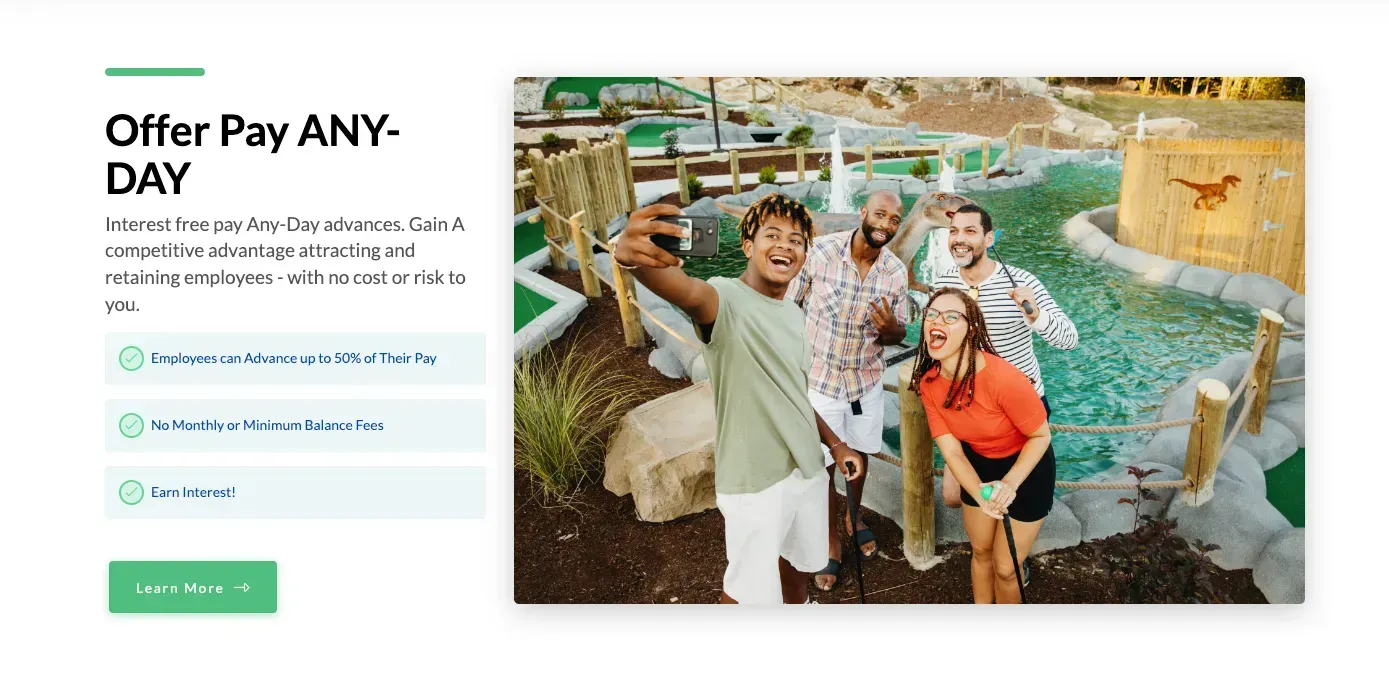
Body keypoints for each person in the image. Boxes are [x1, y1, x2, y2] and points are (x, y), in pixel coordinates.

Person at [613, 193, 865, 605]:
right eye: (772, 234)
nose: (786, 244)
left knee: (799, 567)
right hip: (755, 481)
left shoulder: (794, 314)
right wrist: (632, 258)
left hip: (807, 470)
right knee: (747, 592)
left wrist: (835, 445)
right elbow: (687, 293)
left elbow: (793, 394)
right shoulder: (723, 299)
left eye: (797, 240)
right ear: (748, 246)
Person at [785, 190, 910, 592]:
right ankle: (831, 540)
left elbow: (899, 331)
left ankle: (852, 518)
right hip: (818, 382)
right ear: (863, 213)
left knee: (858, 451)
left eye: (894, 220)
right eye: (880, 215)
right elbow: (787, 306)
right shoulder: (820, 252)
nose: (886, 225)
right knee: (822, 464)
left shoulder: (895, 272)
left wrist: (892, 331)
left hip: (865, 383)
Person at [909, 287, 1056, 604]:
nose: (938, 321)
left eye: (951, 316)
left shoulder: (1004, 379)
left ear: (972, 329)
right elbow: (951, 452)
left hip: (1027, 470)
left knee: (1006, 568)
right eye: (932, 314)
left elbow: (1041, 436)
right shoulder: (929, 383)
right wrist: (978, 492)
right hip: (977, 464)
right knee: (981, 551)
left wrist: (1009, 485)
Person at [929, 204, 1076, 502]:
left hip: (1017, 409)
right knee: (954, 497)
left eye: (970, 231)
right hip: (967, 407)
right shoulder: (944, 281)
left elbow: (1069, 339)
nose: (960, 239)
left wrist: (1035, 315)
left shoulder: (1022, 283)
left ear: (989, 239)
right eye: (954, 231)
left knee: (1015, 497)